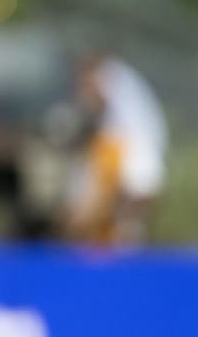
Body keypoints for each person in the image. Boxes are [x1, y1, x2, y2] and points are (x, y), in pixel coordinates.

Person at [60, 50, 168, 245]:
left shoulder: (110, 79)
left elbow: (91, 100)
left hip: (131, 153)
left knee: (119, 219)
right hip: (135, 154)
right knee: (126, 221)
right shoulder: (126, 90)